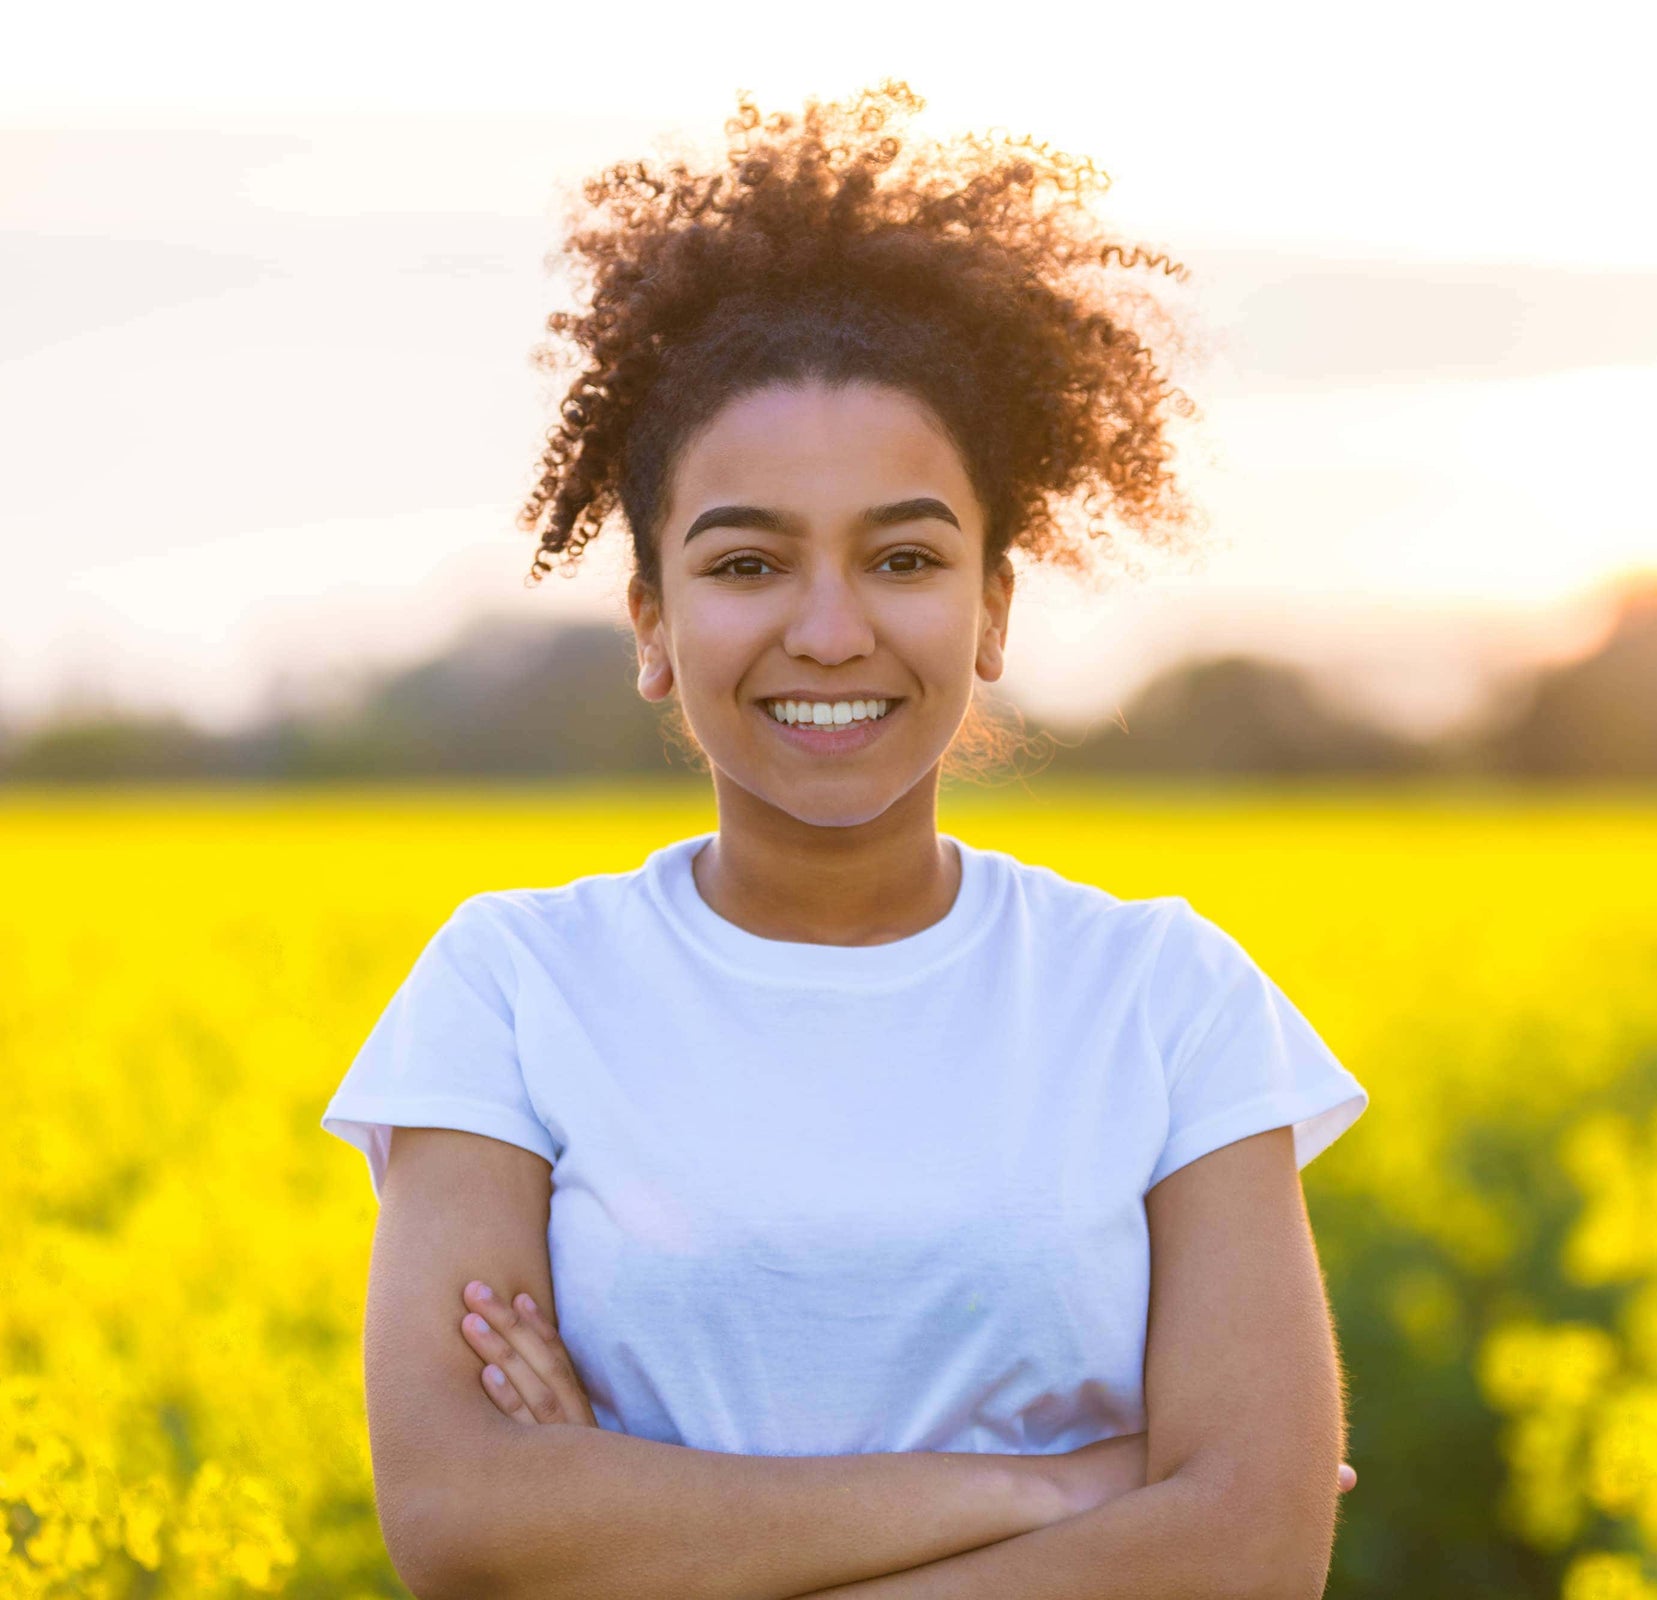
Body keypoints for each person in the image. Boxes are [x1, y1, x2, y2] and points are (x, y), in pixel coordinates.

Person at [320, 81, 1369, 1599]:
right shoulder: (510, 986)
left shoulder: (1168, 996)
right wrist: (1057, 1488)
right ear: (653, 624)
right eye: (747, 560)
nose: (829, 629)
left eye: (904, 556)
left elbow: (1253, 1549)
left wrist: (641, 1525)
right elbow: (465, 1526)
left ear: (993, 609)